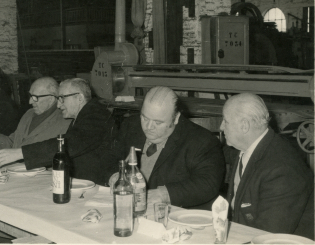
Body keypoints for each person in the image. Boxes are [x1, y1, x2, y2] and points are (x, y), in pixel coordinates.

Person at [107, 86, 225, 209]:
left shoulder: (201, 141)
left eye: (158, 123)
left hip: (177, 215)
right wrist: (114, 175)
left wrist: (163, 194)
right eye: (145, 118)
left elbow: (207, 184)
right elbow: (108, 156)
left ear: (176, 118)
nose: (149, 127)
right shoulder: (131, 126)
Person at [0, 78, 117, 186]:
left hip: (100, 186)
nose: (58, 105)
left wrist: (21, 153)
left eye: (62, 98)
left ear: (79, 98)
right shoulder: (82, 115)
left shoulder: (96, 115)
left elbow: (69, 144)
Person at [222, 93, 314, 239]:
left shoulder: (282, 169)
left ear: (244, 125)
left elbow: (268, 236)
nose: (221, 127)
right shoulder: (248, 149)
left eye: (225, 121)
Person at [0, 77, 71, 152]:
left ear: (52, 98)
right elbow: (12, 142)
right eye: (30, 96)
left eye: (35, 97)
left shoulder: (64, 120)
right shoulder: (29, 114)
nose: (30, 101)